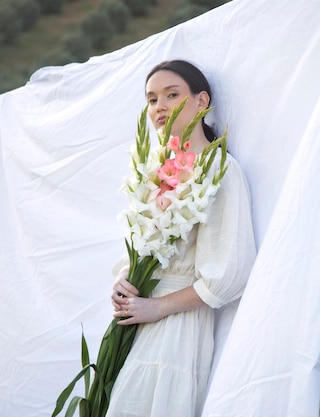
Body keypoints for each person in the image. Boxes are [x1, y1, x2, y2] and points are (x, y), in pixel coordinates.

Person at [105, 60, 257, 417]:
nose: (159, 107)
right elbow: (142, 245)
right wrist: (123, 278)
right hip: (135, 317)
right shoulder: (157, 171)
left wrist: (157, 308)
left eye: (172, 95)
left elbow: (229, 276)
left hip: (176, 327)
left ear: (201, 100)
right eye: (152, 99)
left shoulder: (221, 171)